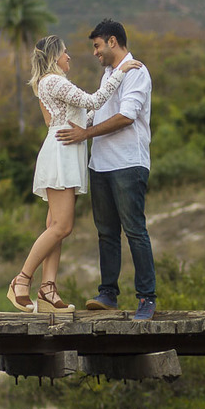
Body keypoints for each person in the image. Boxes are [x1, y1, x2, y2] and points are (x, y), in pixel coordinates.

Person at [6, 35, 142, 312]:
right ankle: (21, 280)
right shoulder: (54, 81)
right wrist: (120, 73)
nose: (70, 57)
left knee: (54, 227)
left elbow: (84, 117)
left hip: (68, 150)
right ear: (55, 56)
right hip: (61, 152)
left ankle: (48, 291)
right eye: (65, 53)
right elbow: (93, 101)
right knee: (62, 227)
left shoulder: (52, 84)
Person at [57, 19, 157, 321]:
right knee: (106, 233)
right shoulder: (109, 74)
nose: (94, 52)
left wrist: (85, 135)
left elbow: (127, 116)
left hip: (128, 163)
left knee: (135, 231)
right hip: (100, 164)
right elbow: (100, 111)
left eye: (97, 46)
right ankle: (108, 294)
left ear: (113, 41)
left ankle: (146, 297)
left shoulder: (136, 72)